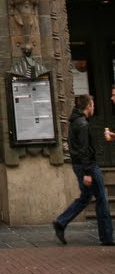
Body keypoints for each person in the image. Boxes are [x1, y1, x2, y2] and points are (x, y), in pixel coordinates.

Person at [53, 93, 114, 246]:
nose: (94, 108)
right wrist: (88, 172)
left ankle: (61, 221)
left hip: (78, 165)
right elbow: (84, 149)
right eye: (93, 105)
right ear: (88, 107)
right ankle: (107, 237)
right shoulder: (83, 124)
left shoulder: (75, 121)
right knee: (102, 199)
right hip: (88, 166)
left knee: (86, 197)